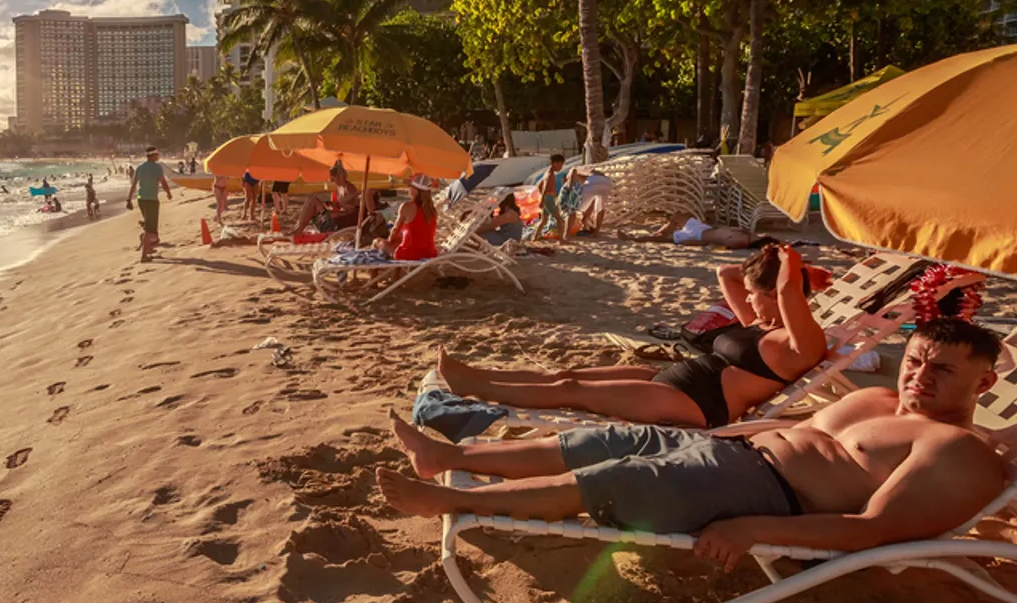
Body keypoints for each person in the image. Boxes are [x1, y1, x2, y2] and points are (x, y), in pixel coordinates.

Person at [381, 319, 1013, 571]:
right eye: (917, 361)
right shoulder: (877, 399)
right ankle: (448, 458)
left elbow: (874, 529)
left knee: (628, 479)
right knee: (602, 438)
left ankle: (446, 503)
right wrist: (716, 434)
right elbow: (798, 431)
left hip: (768, 494)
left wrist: (751, 528)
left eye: (941, 372)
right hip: (732, 449)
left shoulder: (960, 451)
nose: (918, 377)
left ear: (984, 383)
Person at [436, 243, 827, 427]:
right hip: (671, 380)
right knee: (566, 375)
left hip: (692, 403)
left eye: (756, 295)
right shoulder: (760, 325)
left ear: (777, 295)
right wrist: (780, 261)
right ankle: (479, 377)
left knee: (571, 390)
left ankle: (475, 387)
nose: (747, 300)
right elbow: (726, 274)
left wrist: (791, 263)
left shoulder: (799, 344)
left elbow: (791, 293)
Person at [374, 175, 440, 260]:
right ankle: (395, 273)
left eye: (410, 186)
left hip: (409, 254)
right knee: (399, 241)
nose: (407, 189)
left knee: (377, 242)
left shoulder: (406, 206)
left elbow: (394, 231)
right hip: (429, 253)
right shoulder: (432, 210)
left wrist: (390, 241)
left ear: (415, 191)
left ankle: (374, 273)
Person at [127, 147, 173, 261]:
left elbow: (133, 184)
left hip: (140, 198)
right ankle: (144, 255)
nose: (158, 156)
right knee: (150, 228)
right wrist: (168, 193)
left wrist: (128, 199)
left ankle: (147, 245)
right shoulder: (157, 167)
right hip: (151, 200)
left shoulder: (140, 167)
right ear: (153, 155)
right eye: (157, 154)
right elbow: (163, 182)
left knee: (148, 223)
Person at [618, 212, 758, 249]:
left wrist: (691, 242)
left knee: (661, 239)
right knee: (680, 216)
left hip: (698, 237)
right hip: (703, 229)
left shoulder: (740, 241)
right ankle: (661, 231)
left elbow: (711, 245)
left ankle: (632, 238)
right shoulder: (743, 234)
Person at [291, 164, 361, 235]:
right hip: (337, 219)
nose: (331, 181)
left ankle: (299, 229)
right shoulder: (339, 188)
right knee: (311, 201)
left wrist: (335, 212)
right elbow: (343, 204)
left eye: (333, 179)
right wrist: (333, 205)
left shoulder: (350, 188)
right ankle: (298, 228)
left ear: (340, 176)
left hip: (338, 223)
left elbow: (352, 211)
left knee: (312, 200)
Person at [529, 154, 568, 241]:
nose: (561, 167)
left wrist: (544, 197)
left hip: (548, 197)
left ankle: (534, 237)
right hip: (548, 198)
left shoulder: (547, 173)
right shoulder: (550, 174)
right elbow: (545, 187)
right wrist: (543, 199)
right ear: (555, 163)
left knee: (544, 220)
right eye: (561, 165)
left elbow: (539, 185)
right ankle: (562, 239)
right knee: (559, 219)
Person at [565, 168, 612, 238]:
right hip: (607, 182)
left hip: (593, 180)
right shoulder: (588, 171)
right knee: (600, 208)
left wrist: (569, 189)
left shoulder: (572, 172)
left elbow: (572, 172)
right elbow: (591, 203)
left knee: (574, 207)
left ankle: (567, 233)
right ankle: (596, 233)